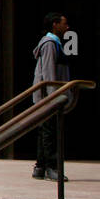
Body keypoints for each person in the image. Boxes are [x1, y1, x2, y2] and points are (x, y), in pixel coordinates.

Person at [30, 12, 71, 182]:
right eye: (64, 24)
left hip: (46, 95)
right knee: (50, 131)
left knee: (44, 130)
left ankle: (40, 166)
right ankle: (51, 167)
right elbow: (48, 72)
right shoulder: (49, 44)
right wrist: (53, 96)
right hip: (48, 96)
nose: (67, 27)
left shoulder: (53, 43)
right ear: (55, 24)